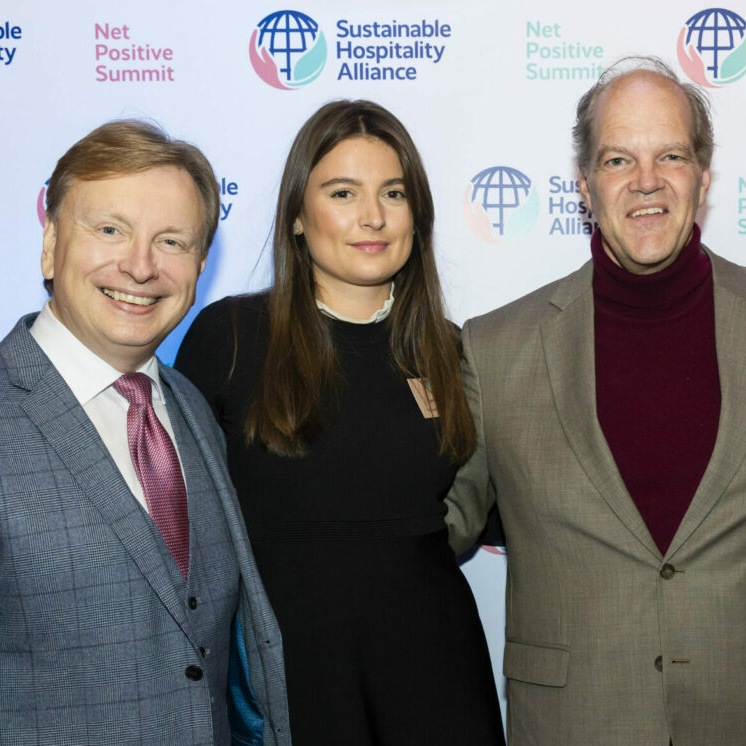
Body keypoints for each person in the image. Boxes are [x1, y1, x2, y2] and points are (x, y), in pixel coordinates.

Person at [444, 56, 746, 745]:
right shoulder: (496, 350)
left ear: (703, 176)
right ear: (584, 185)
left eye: (671, 155)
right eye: (618, 160)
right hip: (578, 723)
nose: (646, 181)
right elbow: (432, 531)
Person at [0, 120, 289, 744]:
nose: (140, 266)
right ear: (51, 245)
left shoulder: (192, 407)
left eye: (171, 240)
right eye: (109, 230)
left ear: (199, 263)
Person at [174, 100, 504, 745]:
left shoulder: (451, 348)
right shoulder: (231, 337)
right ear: (298, 216)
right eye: (343, 192)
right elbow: (181, 524)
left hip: (437, 671)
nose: (372, 216)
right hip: (289, 671)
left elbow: (491, 505)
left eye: (393, 193)